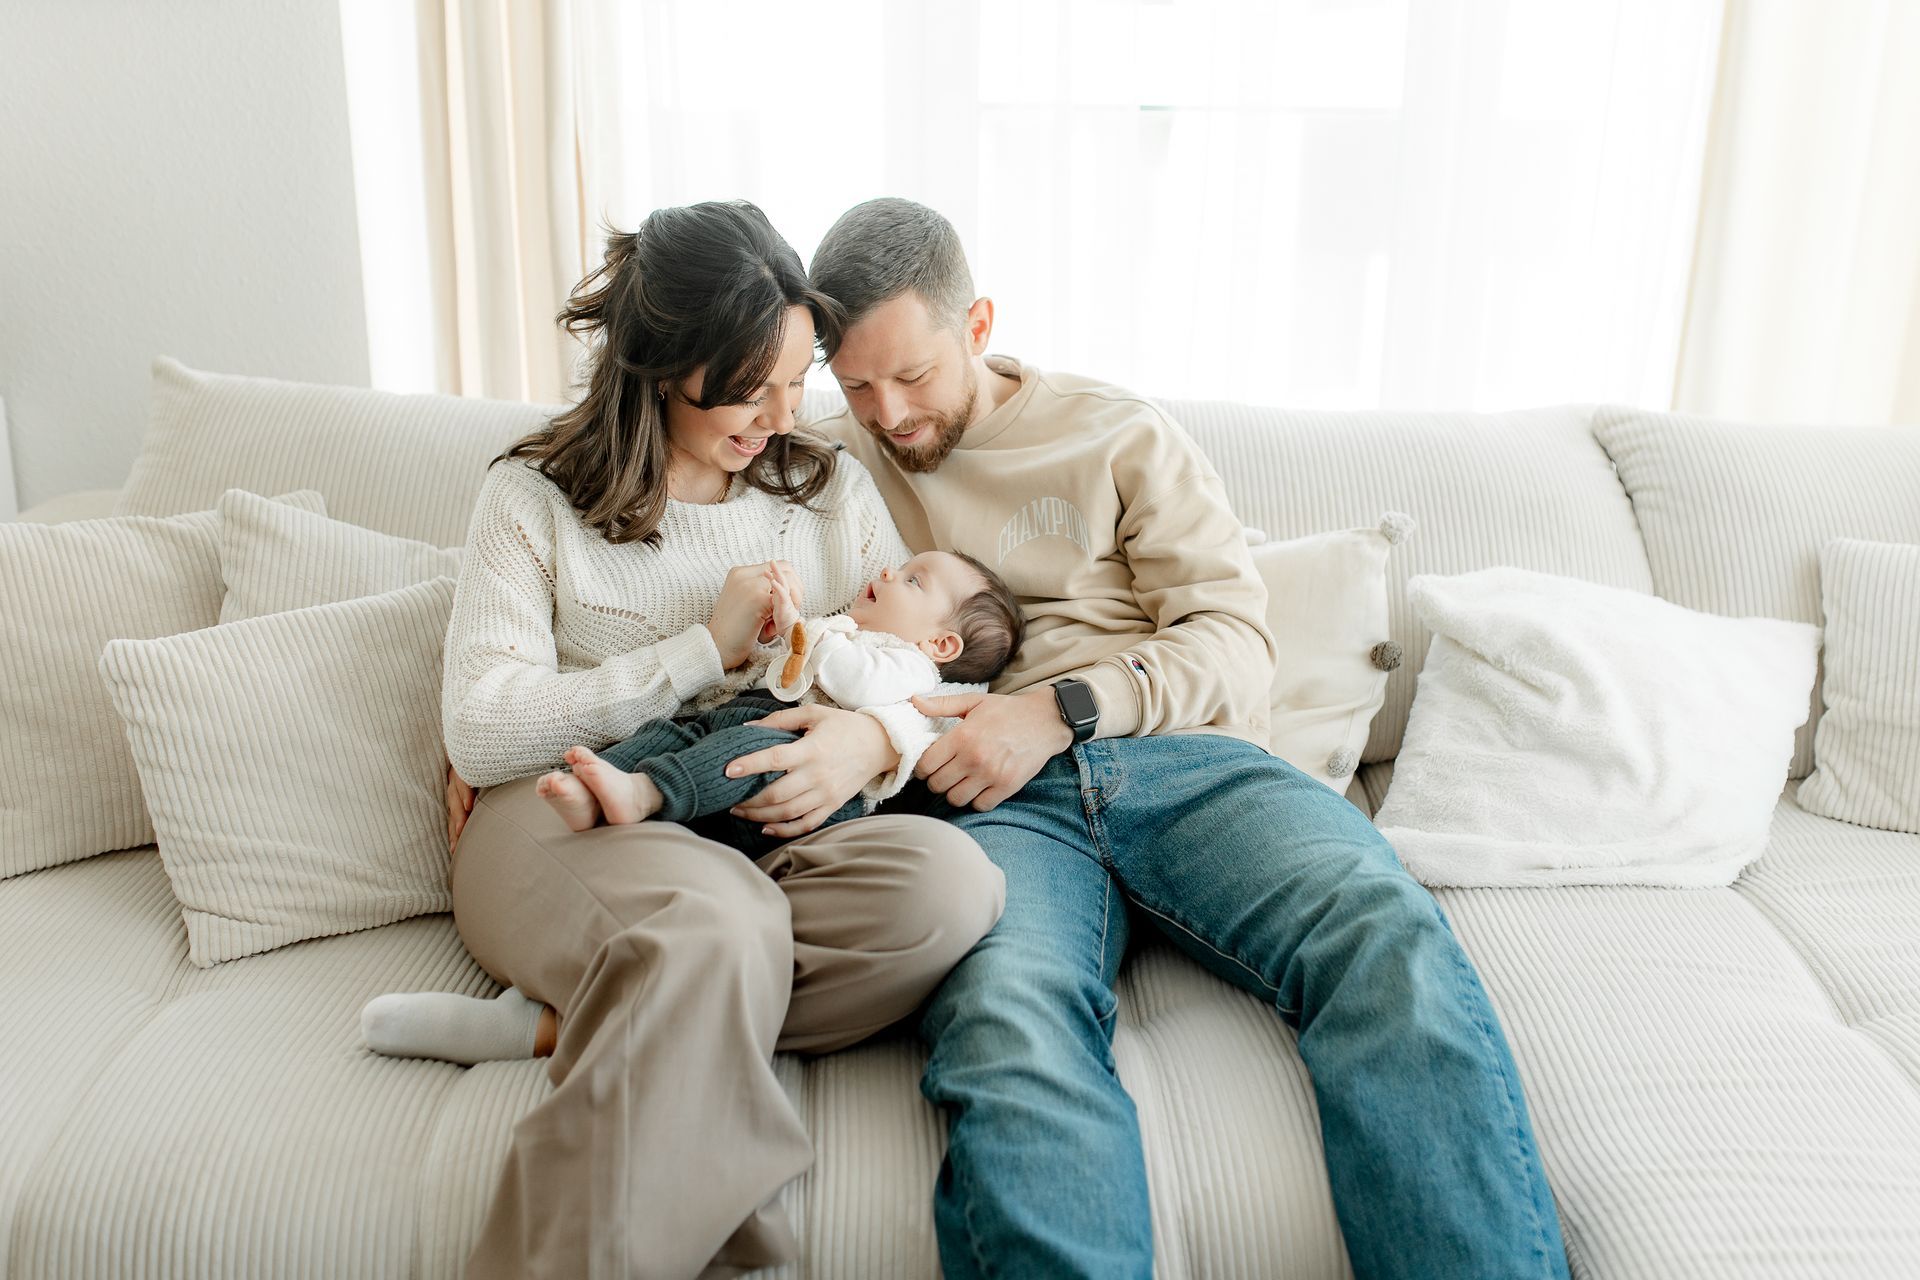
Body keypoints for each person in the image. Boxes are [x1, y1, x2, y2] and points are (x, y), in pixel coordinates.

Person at [784, 196, 1570, 1279]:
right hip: (995, 801)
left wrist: (1057, 708)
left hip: (1180, 761)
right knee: (1011, 1023)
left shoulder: (1116, 433)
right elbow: (646, 485)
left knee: (1386, 935)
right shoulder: (822, 464)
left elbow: (1236, 638)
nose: (888, 413)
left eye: (911, 375)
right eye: (855, 383)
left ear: (978, 325)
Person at [367, 200, 1006, 1280]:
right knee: (719, 921)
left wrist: (858, 743)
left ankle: (619, 1014)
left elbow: (924, 676)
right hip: (564, 812)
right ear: (665, 363)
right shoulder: (532, 497)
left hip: (749, 821)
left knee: (950, 887)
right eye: (749, 386)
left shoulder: (824, 486)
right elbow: (482, 726)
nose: (780, 411)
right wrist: (699, 650)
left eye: (797, 378)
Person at [533, 548, 1025, 845]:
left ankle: (645, 793)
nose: (890, 573)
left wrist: (802, 627)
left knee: (741, 756)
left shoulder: (911, 668)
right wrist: (785, 631)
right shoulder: (850, 630)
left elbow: (854, 682)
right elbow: (791, 671)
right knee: (674, 732)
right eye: (902, 566)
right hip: (756, 715)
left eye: (914, 580)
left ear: (941, 645)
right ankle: (596, 780)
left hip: (802, 761)